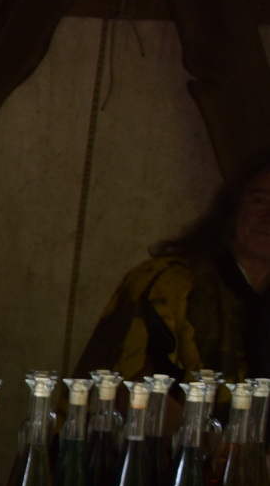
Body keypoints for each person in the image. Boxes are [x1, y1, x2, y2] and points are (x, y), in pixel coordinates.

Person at [76, 150, 270, 381]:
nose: (268, 217)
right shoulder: (168, 283)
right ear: (232, 209)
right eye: (259, 201)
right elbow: (130, 391)